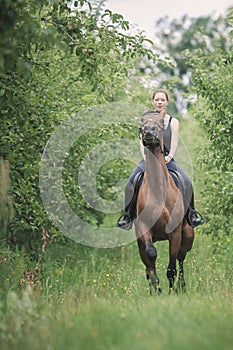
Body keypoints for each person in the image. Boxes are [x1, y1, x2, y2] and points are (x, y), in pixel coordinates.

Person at [116, 88, 205, 230]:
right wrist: (145, 157)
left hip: (167, 159)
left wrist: (170, 156)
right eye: (157, 99)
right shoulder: (145, 120)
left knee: (187, 183)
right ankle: (127, 216)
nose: (159, 102)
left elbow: (175, 141)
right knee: (131, 182)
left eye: (162, 99)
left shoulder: (173, 121)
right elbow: (141, 141)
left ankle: (191, 215)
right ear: (152, 101)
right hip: (148, 160)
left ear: (167, 102)